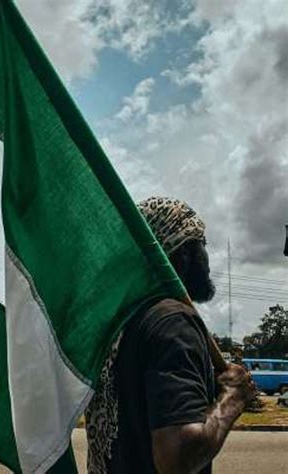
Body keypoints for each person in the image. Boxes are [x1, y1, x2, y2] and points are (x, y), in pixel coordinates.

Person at [85, 196, 256, 474]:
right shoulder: (172, 322)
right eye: (201, 241)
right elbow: (176, 457)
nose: (206, 256)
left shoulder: (120, 321)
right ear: (184, 250)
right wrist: (233, 397)